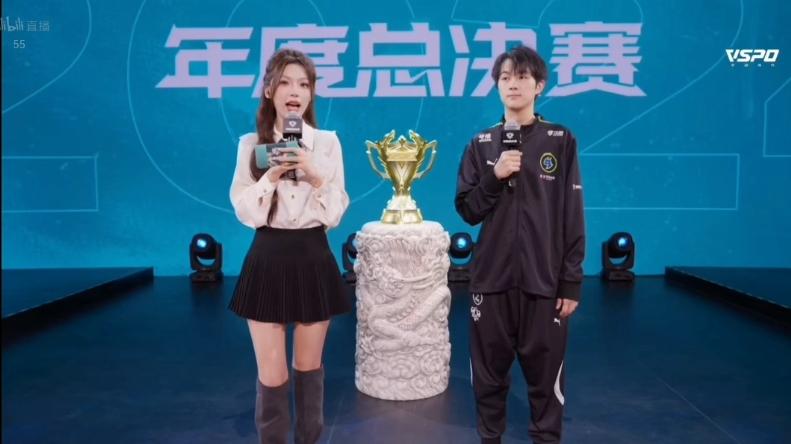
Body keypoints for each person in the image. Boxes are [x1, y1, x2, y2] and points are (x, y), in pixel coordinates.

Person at [454, 45, 586, 444]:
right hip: (491, 282)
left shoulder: (560, 140)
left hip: (543, 283)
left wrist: (570, 282)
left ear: (539, 85)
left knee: (546, 381)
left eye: (523, 77)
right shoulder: (481, 143)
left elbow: (572, 213)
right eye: (505, 77)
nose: (513, 84)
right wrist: (494, 177)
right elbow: (467, 210)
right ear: (497, 86)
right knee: (489, 379)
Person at [228, 48, 350, 444]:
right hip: (267, 258)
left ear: (311, 93)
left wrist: (313, 174)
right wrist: (271, 176)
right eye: (284, 83)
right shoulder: (251, 145)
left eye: (303, 84)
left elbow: (336, 212)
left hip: (313, 257)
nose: (294, 91)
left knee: (309, 369)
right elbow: (244, 210)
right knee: (272, 375)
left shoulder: (327, 143)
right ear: (269, 90)